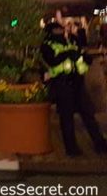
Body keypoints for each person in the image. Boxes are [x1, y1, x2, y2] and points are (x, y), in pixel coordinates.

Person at [41, 20, 107, 157]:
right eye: (57, 31)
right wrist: (68, 53)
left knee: (88, 115)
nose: (60, 32)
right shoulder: (46, 46)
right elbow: (52, 61)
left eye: (61, 30)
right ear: (49, 33)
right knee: (67, 118)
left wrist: (85, 59)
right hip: (62, 84)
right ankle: (72, 149)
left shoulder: (70, 41)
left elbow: (80, 55)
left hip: (77, 82)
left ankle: (100, 143)